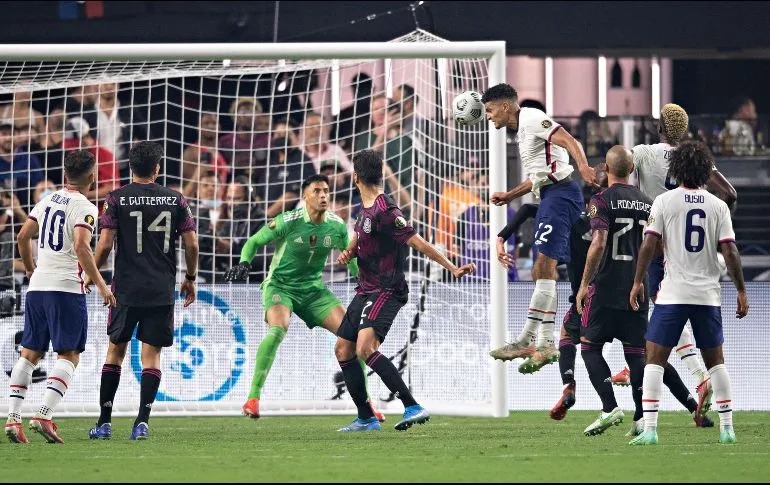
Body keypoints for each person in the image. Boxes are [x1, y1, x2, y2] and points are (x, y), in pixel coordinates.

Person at [334, 149, 476, 432]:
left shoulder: (386, 210)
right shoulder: (365, 207)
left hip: (386, 289)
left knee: (365, 348)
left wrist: (452, 267)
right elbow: (361, 235)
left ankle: (412, 406)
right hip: (365, 289)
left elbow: (419, 242)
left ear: (356, 177)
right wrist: (350, 250)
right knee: (343, 349)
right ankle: (366, 418)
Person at [223, 173, 384, 422]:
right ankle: (253, 398)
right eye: (317, 191)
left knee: (353, 337)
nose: (323, 196)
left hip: (313, 291)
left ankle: (367, 403)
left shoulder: (336, 225)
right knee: (278, 329)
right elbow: (253, 242)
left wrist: (363, 280)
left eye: (326, 191)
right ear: (304, 196)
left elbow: (350, 257)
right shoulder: (288, 220)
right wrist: (244, 262)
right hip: (280, 287)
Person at [617, 103, 738, 417]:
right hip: (689, 249)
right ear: (683, 131)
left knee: (662, 306)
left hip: (655, 242)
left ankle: (697, 376)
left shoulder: (643, 152)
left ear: (658, 127)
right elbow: (730, 194)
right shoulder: (692, 159)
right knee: (663, 307)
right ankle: (681, 373)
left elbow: (618, 168)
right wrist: (716, 226)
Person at [628, 141, 749, 446]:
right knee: (716, 363)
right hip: (707, 295)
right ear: (706, 171)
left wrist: (638, 281)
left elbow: (649, 244)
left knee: (653, 360)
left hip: (673, 293)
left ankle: (651, 430)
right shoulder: (718, 206)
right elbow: (730, 251)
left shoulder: (664, 202)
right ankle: (727, 429)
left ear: (676, 169)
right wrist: (741, 290)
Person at [86, 141, 199, 441]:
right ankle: (141, 423)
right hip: (160, 288)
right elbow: (192, 244)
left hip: (125, 289)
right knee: (152, 357)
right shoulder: (176, 199)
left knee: (115, 351)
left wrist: (91, 274)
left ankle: (104, 423)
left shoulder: (116, 198)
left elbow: (105, 244)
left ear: (131, 167)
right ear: (157, 168)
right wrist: (190, 276)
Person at [4, 150, 116, 444]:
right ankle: (44, 414)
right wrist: (101, 284)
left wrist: (31, 270)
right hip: (65, 288)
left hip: (37, 288)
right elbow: (81, 246)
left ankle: (13, 419)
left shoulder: (47, 200)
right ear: (92, 177)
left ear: (66, 175)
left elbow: (22, 236)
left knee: (29, 353)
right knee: (69, 354)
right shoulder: (86, 207)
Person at [484, 83, 597, 374]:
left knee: (544, 266)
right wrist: (509, 195)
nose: (488, 116)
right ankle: (546, 343)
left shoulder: (532, 118)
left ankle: (527, 340)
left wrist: (584, 167)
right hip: (551, 194)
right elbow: (540, 176)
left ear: (506, 106)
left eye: (490, 110)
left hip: (561, 194)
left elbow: (570, 140)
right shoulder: (523, 131)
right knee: (541, 269)